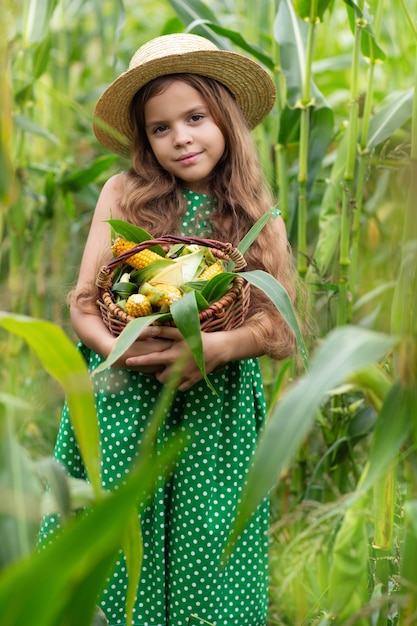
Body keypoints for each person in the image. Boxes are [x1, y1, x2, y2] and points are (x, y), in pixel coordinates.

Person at [39, 33, 297, 626]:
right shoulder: (125, 194)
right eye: (160, 128)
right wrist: (122, 351)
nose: (180, 137)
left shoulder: (257, 214)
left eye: (196, 117)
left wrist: (212, 346)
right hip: (127, 404)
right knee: (116, 544)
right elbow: (84, 305)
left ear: (226, 119)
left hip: (215, 414)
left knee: (210, 552)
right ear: (144, 140)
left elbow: (276, 327)